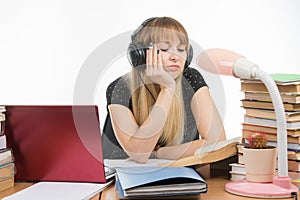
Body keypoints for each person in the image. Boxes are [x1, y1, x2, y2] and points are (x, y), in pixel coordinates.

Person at [102, 16, 226, 163]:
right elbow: (140, 154)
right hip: (121, 179)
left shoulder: (191, 79)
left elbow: (218, 143)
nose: (176, 57)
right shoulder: (120, 88)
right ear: (140, 54)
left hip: (176, 177)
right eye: (164, 49)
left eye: (181, 49)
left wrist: (157, 153)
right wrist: (167, 90)